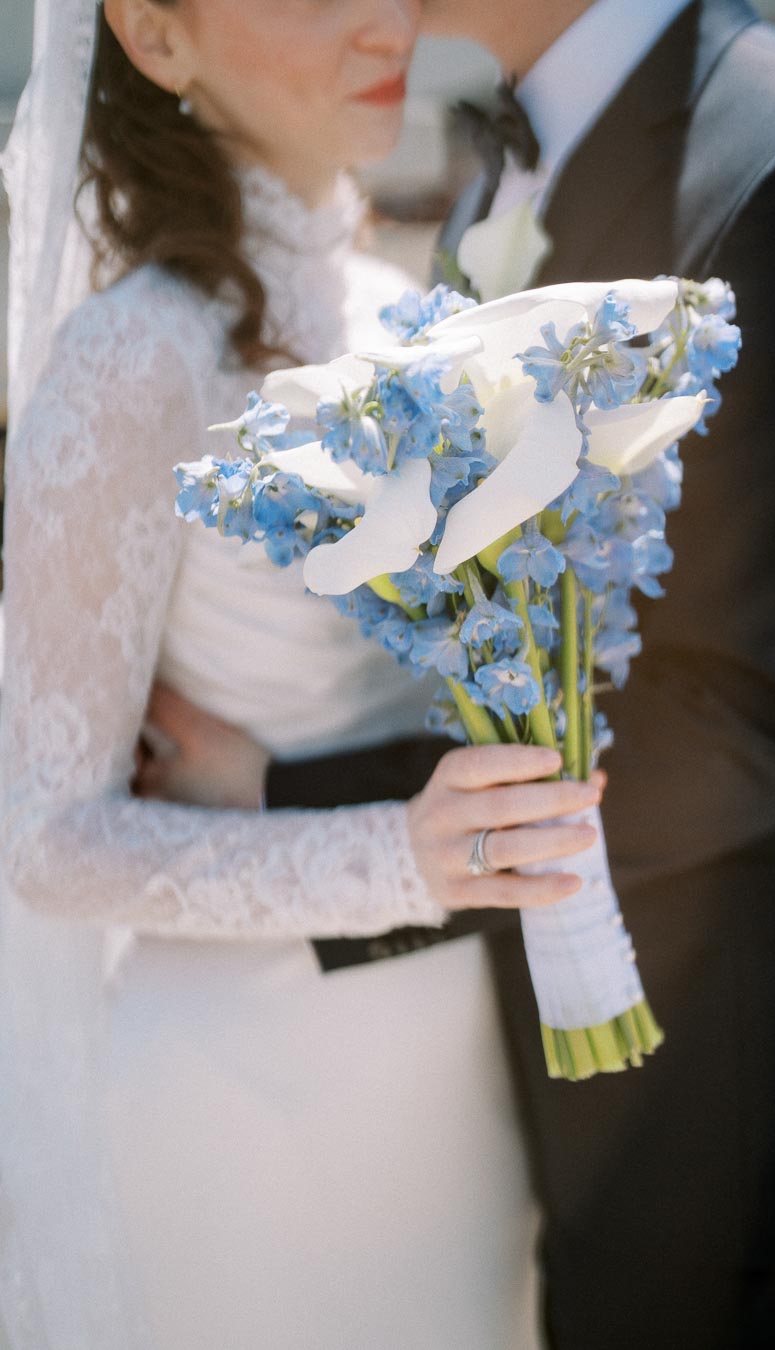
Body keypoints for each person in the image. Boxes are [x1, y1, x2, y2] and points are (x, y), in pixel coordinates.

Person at [143, 1, 775, 1347]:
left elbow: (747, 725)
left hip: (719, 1141)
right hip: (509, 1104)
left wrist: (303, 796)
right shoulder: (499, 165)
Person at [0, 2, 609, 1347]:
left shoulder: (418, 316)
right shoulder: (132, 360)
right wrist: (402, 855)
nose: (377, 16)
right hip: (247, 1099)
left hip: (465, 1081)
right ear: (159, 40)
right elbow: (41, 837)